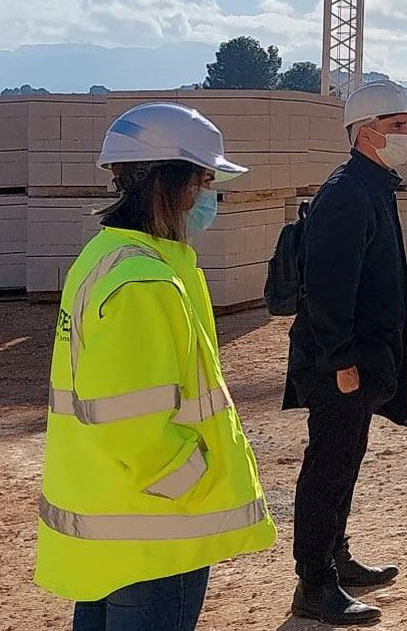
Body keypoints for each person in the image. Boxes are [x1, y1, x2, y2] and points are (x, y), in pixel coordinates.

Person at [35, 102, 276, 630]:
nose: (210, 196)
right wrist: (190, 482)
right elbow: (130, 419)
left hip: (117, 520)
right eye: (206, 180)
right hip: (155, 528)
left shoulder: (105, 257)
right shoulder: (143, 280)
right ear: (173, 183)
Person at [283, 79, 407, 625]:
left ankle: (334, 557)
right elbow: (328, 290)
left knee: (344, 462)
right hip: (342, 365)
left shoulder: (372, 186)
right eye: (399, 127)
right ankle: (314, 584)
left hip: (360, 363)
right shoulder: (346, 193)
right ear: (368, 133)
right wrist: (341, 363)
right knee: (328, 467)